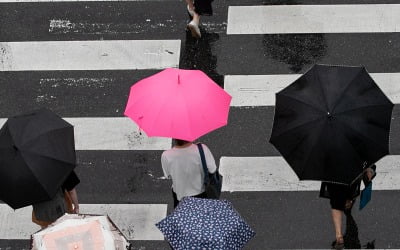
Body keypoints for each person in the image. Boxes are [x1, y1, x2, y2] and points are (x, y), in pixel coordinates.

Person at [320, 165, 376, 249]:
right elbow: (367, 153)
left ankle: (339, 235)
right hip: (353, 169)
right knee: (350, 189)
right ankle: (348, 200)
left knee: (336, 201)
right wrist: (370, 169)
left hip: (333, 169)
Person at [161, 139, 217, 208]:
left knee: (181, 217)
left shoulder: (166, 155)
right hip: (201, 193)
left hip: (179, 195)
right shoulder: (202, 149)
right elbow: (212, 170)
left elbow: (168, 175)